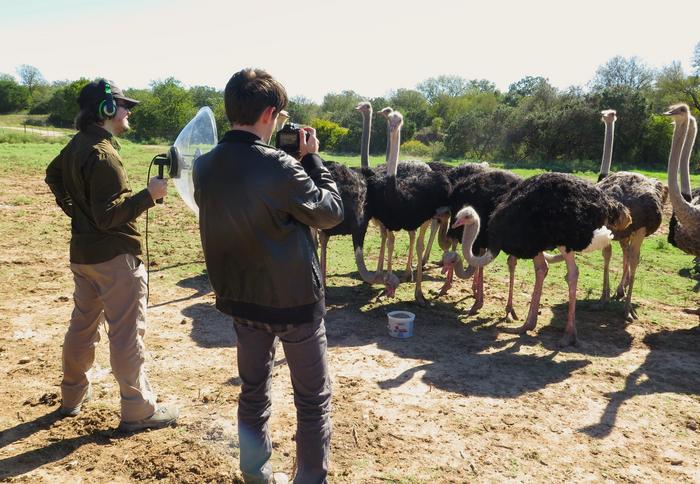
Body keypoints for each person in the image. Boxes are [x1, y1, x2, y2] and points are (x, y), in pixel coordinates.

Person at [193, 68, 343, 484]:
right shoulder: (280, 166)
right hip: (294, 303)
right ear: (271, 114)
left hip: (242, 301)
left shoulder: (204, 167)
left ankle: (255, 473)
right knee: (313, 400)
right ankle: (310, 478)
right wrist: (312, 159)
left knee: (252, 392)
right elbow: (330, 213)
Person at [45, 79, 179, 432]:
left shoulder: (80, 144)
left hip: (84, 255)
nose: (128, 110)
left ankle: (71, 397)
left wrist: (76, 211)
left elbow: (53, 174)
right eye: (122, 104)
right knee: (125, 335)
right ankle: (137, 411)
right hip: (114, 259)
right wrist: (149, 195)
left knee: (82, 326)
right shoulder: (103, 154)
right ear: (105, 110)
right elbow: (108, 217)